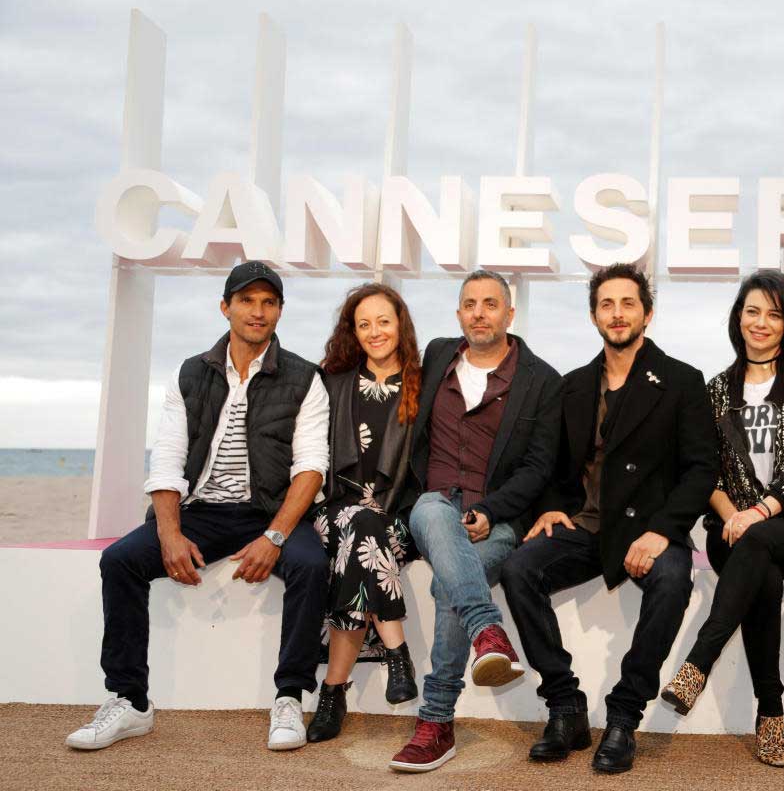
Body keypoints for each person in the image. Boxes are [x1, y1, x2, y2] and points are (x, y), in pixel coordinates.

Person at [66, 261, 330, 752]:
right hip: (201, 510)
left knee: (311, 566)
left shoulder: (305, 377)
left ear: (280, 311)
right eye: (247, 300)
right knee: (119, 560)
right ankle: (130, 702)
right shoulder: (192, 372)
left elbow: (311, 467)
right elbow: (167, 458)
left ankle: (290, 696)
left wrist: (274, 536)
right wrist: (169, 533)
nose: (257, 311)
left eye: (268, 302)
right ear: (225, 306)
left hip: (268, 511)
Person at [501, 262, 718, 775]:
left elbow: (701, 469)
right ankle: (564, 704)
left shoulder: (683, 381)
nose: (617, 314)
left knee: (672, 581)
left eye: (627, 303)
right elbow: (553, 465)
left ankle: (624, 714)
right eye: (606, 304)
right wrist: (553, 506)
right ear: (594, 315)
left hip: (651, 527)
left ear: (648, 312)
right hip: (588, 526)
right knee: (518, 570)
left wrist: (663, 531)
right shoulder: (573, 385)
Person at [388, 269, 562, 773]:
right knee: (428, 506)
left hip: (498, 517)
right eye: (470, 304)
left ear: (510, 313)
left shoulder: (541, 380)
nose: (479, 313)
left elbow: (537, 468)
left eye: (490, 304)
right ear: (459, 313)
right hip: (433, 509)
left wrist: (490, 511)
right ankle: (488, 629)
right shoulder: (439, 356)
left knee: (450, 587)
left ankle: (436, 723)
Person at [660, 269, 784, 767]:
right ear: (738, 318)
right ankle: (770, 715)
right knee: (763, 579)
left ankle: (699, 661)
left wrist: (759, 512)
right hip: (730, 527)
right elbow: (701, 468)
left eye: (774, 314)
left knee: (760, 546)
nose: (761, 322)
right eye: (752, 311)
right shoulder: (715, 391)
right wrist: (732, 512)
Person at [306, 283, 422, 743]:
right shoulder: (332, 383)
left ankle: (332, 691)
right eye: (364, 324)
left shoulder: (423, 383)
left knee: (364, 534)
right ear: (352, 332)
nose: (375, 332)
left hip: (397, 517)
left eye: (384, 321)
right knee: (357, 522)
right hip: (333, 511)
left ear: (401, 324)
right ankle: (397, 652)